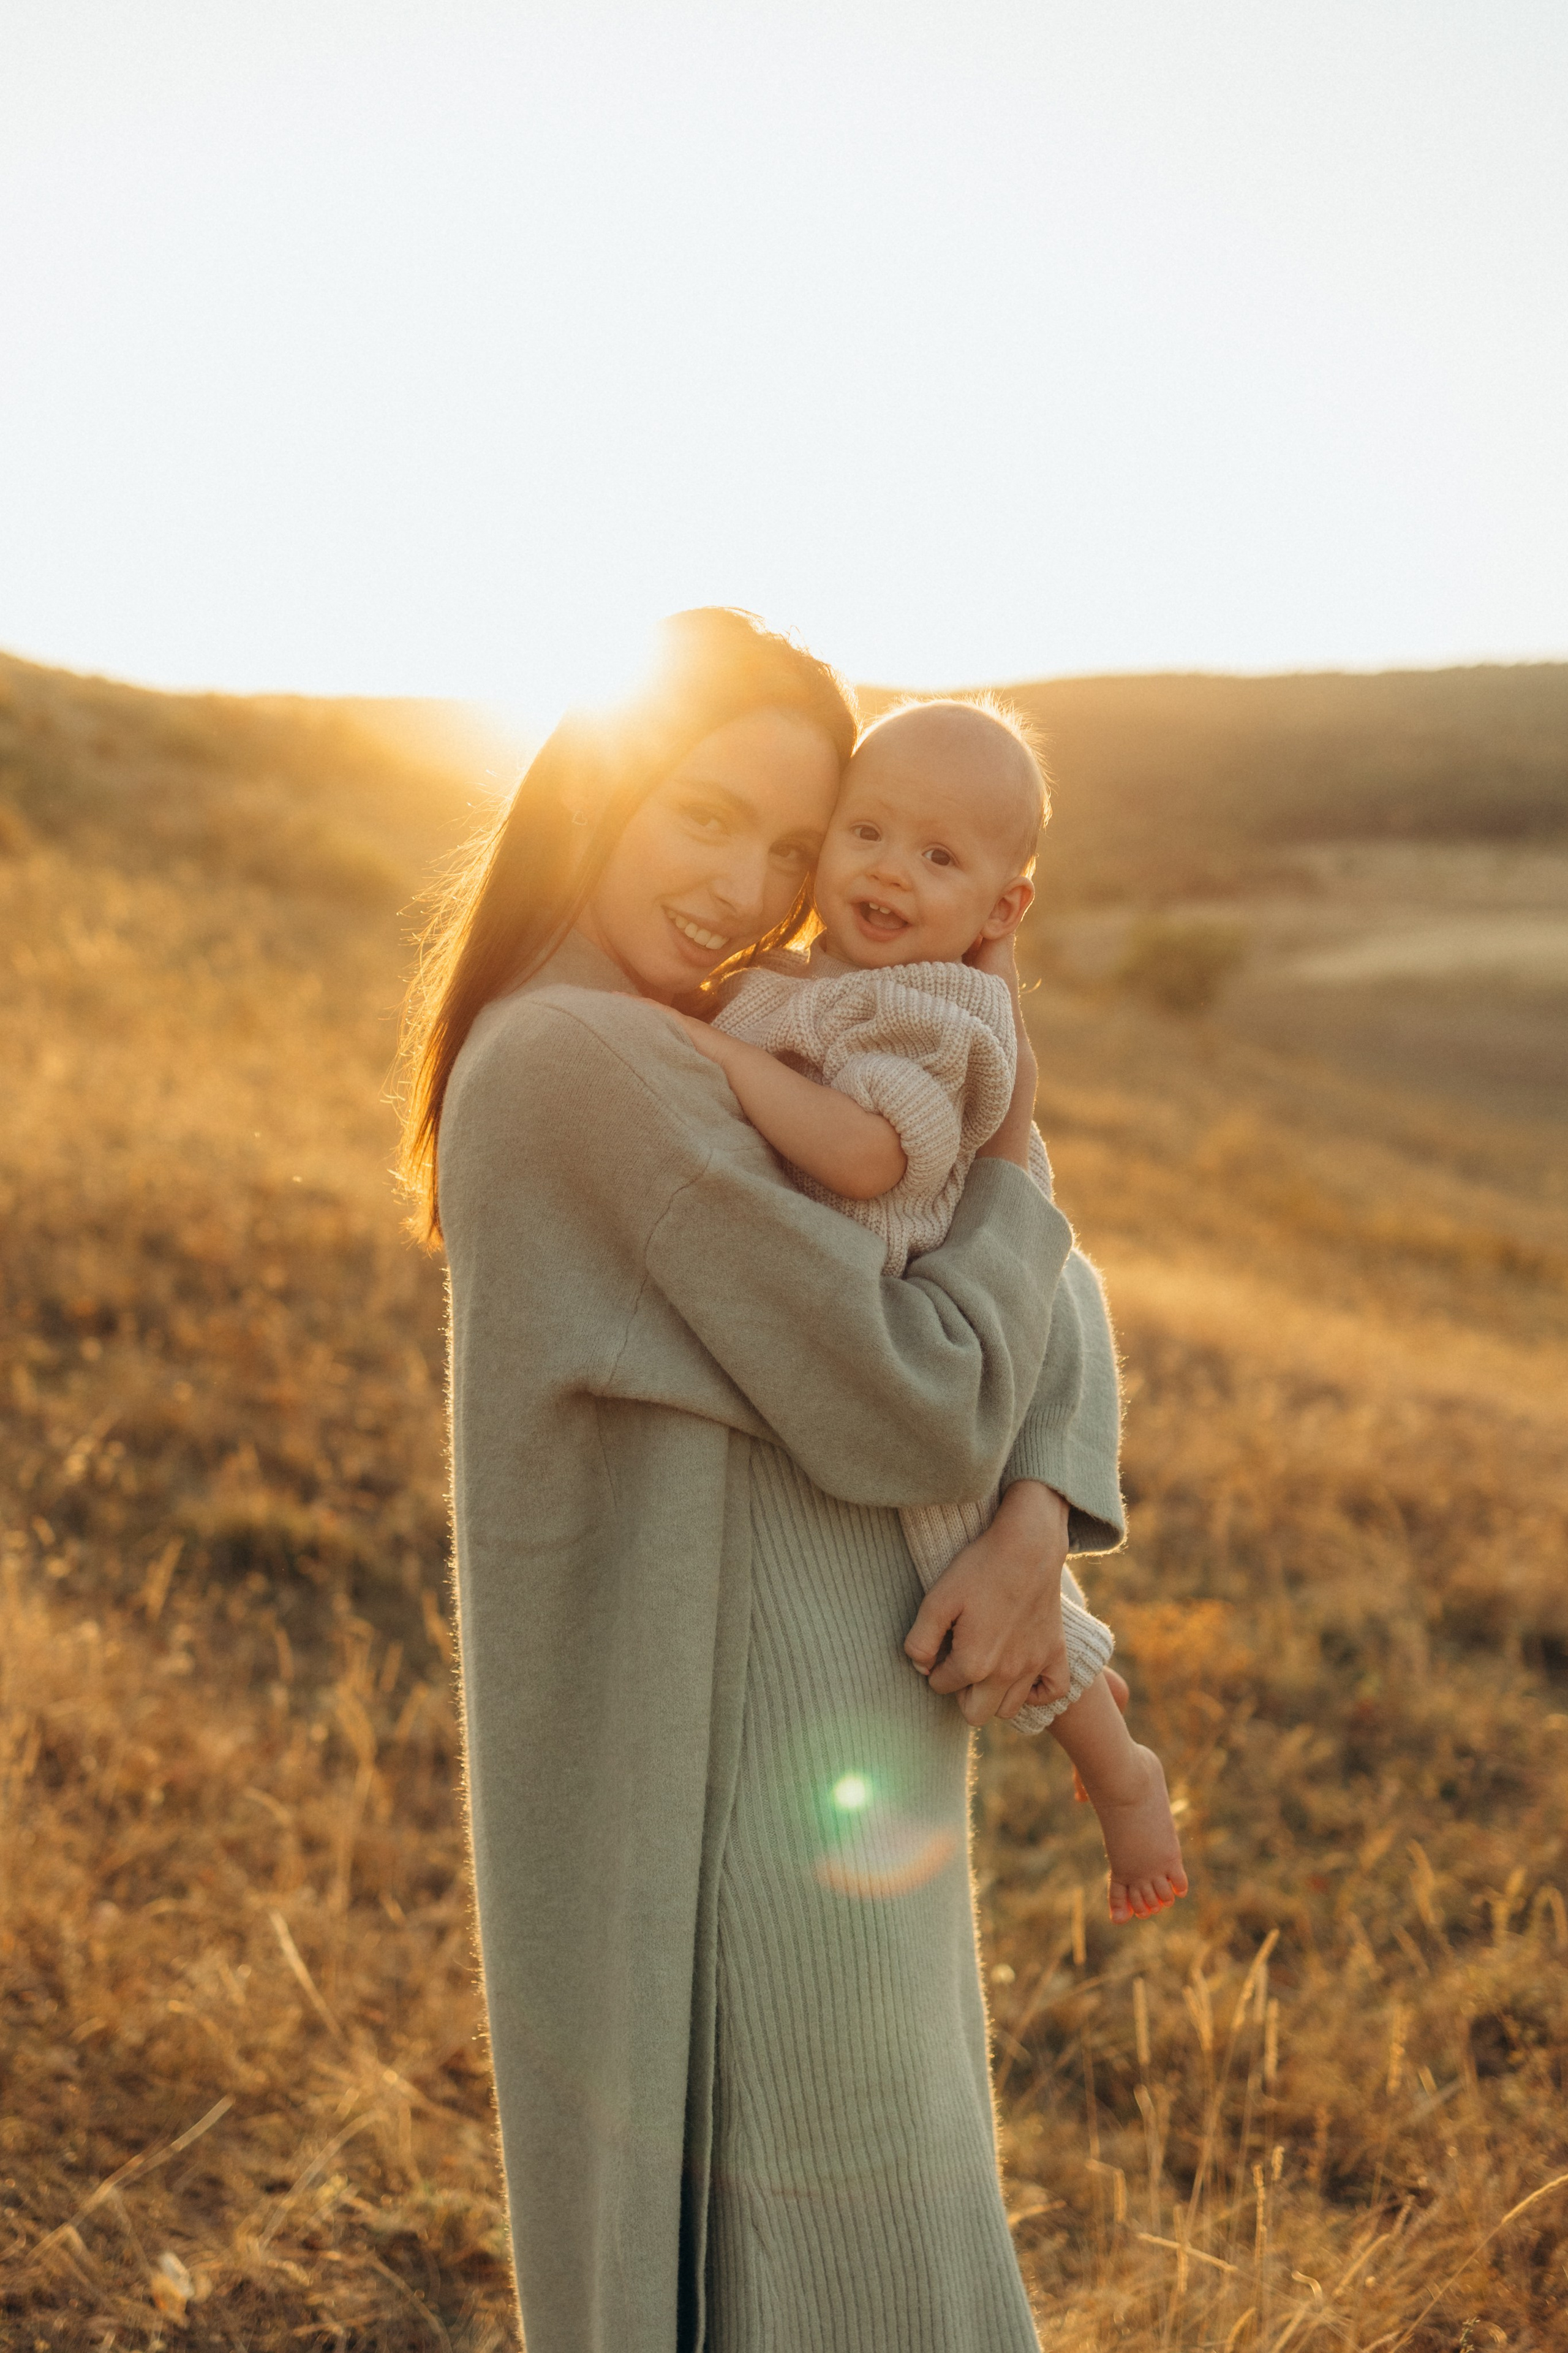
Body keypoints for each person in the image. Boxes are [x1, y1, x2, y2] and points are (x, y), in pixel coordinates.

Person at [399, 609, 1128, 2353]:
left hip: (831, 1738)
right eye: (705, 814)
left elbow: (1050, 1296)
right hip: (722, 1780)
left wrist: (1039, 1521)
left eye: (794, 848)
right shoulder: (593, 1063)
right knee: (833, 2286)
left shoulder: (735, 1031)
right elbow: (928, 1392)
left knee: (893, 2256)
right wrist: (1018, 1150)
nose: (749, 884)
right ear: (598, 788)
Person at [665, 695, 1186, 1923]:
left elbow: (867, 1157)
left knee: (972, 1588)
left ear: (1002, 909)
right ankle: (1099, 1719)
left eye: (939, 857)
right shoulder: (801, 982)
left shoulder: (929, 1008)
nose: (890, 872)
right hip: (875, 1337)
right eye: (867, 833)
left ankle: (1118, 1776)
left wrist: (715, 1058)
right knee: (975, 1589)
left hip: (925, 1337)